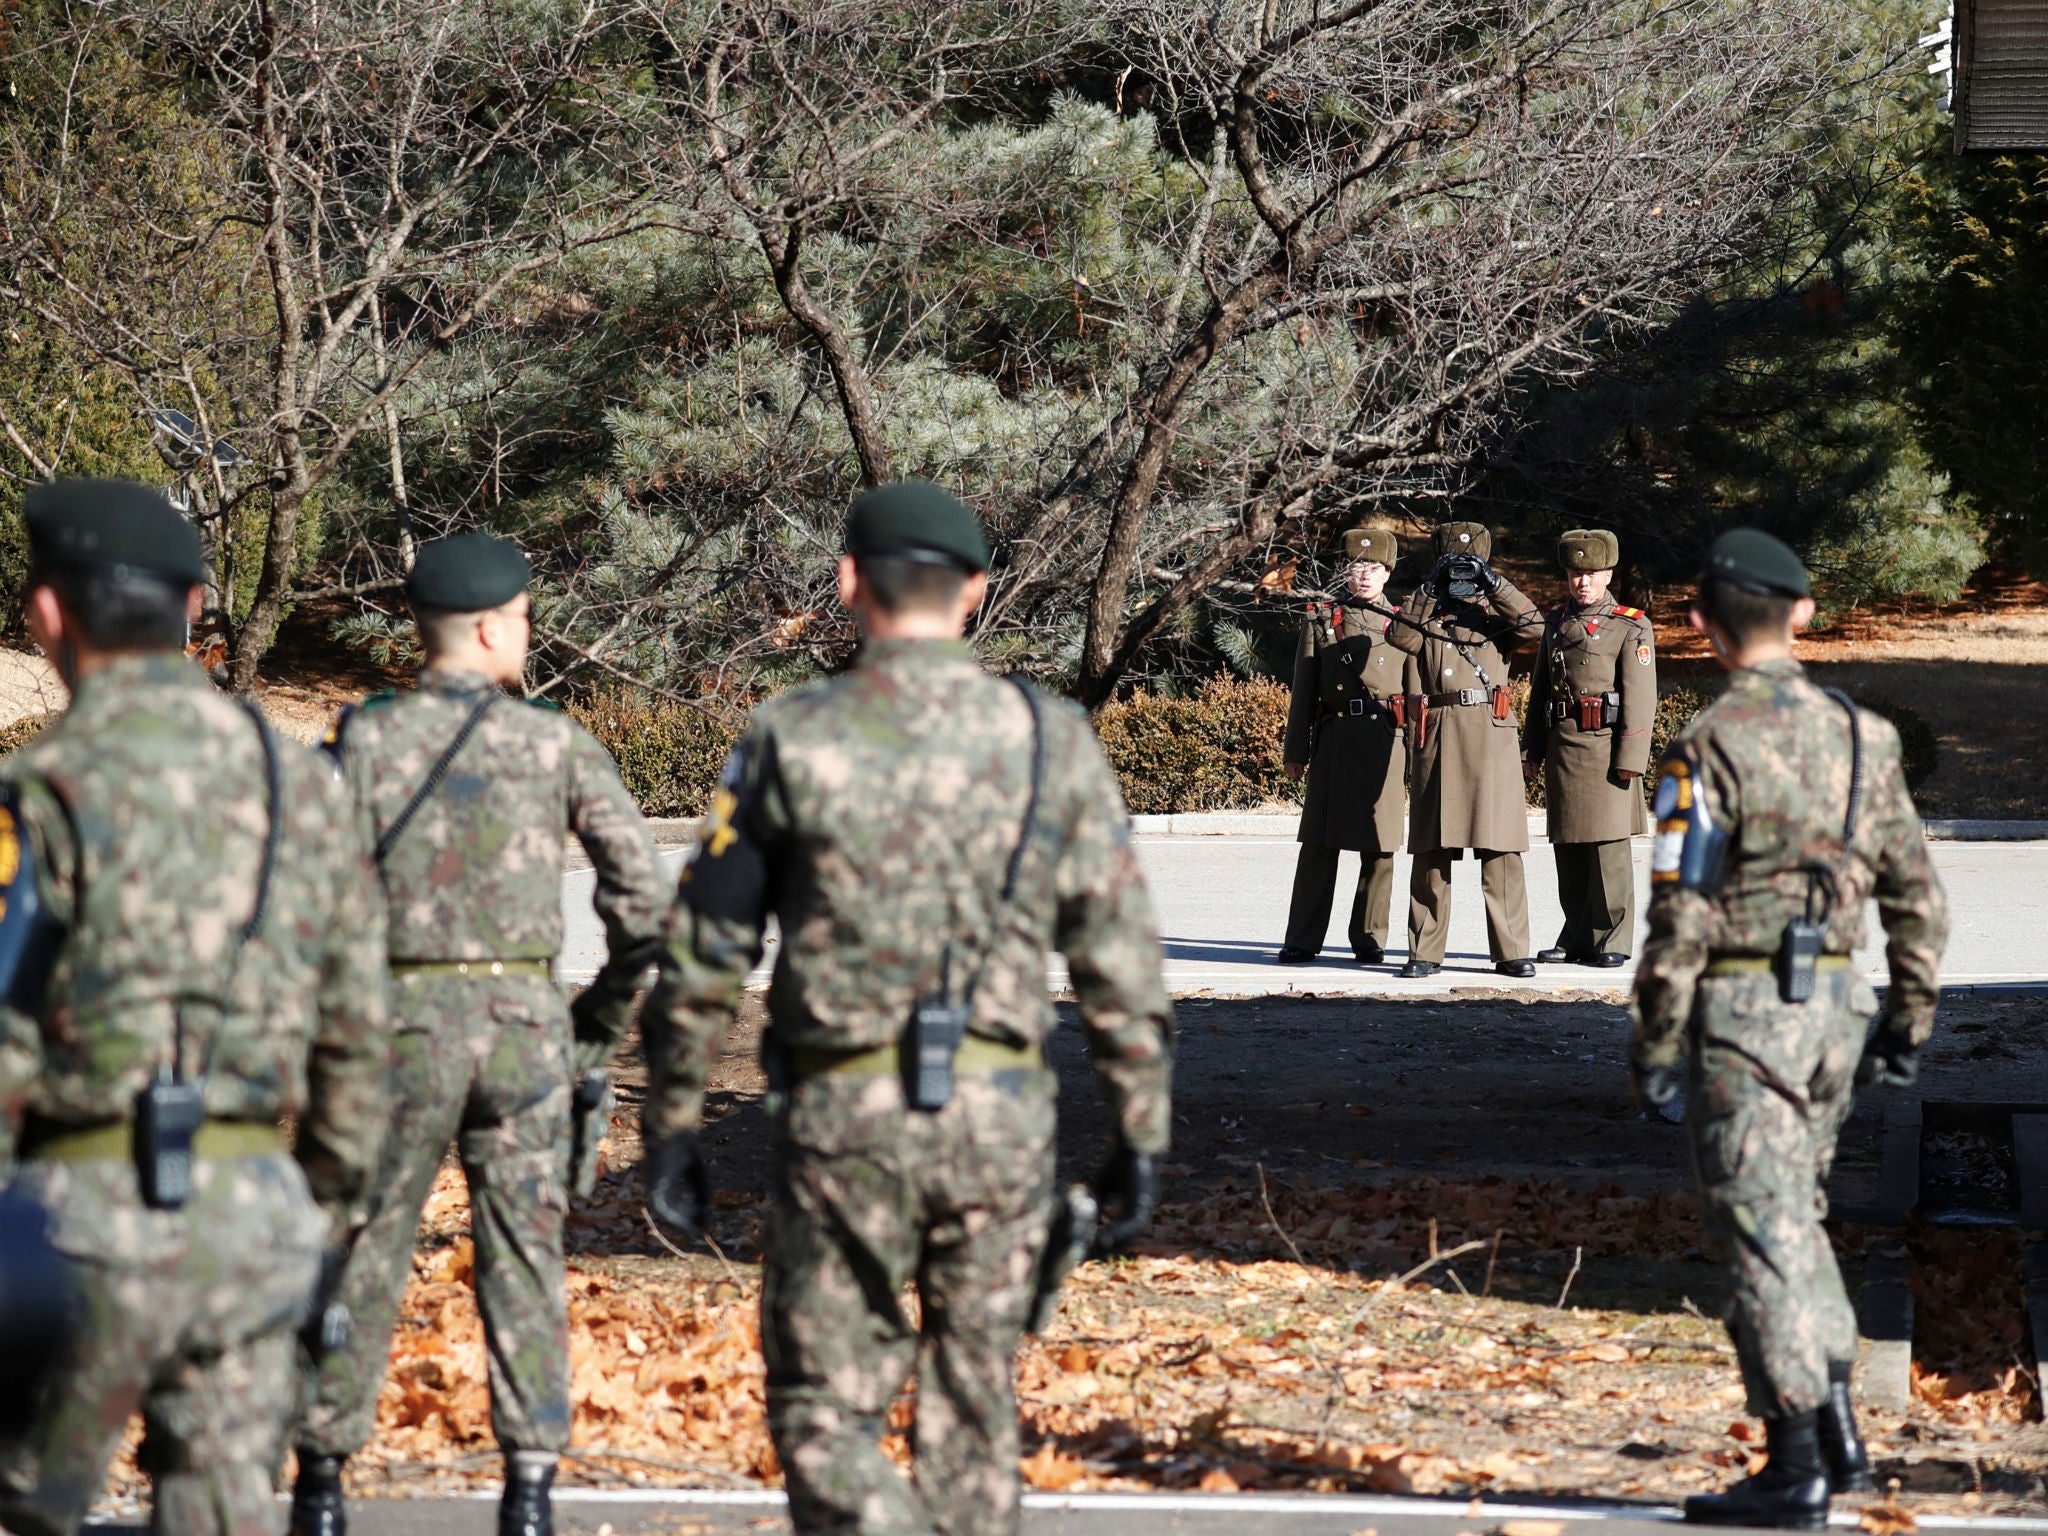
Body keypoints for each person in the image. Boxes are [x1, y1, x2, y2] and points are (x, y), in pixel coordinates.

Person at [636, 481, 1174, 1536]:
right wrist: (1139, 1129)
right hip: (1000, 1117)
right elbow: (1117, 953)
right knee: (974, 1408)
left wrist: (671, 1123)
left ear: (847, 586)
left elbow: (705, 951)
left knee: (822, 1408)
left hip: (845, 1116)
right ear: (975, 592)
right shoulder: (1049, 736)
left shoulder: (791, 731)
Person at [0, 479, 391, 1536]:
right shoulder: (298, 784)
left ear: (48, 617)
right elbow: (359, 1032)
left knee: (37, 1504)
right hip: (250, 1217)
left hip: (72, 1218)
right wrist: (316, 1206)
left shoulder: (38, 791)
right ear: (195, 608)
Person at [293, 534, 671, 1536]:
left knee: (364, 1251)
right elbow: (642, 898)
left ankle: (323, 1478)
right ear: (496, 626)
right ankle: (530, 1487)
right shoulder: (554, 743)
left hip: (397, 1029)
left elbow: (305, 893)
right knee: (524, 1257)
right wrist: (590, 1029)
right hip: (521, 1031)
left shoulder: (364, 740)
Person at [1630, 529, 1947, 1530]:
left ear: (1701, 626)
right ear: (1802, 614)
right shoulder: (1867, 736)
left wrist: (1653, 1038)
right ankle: (1840, 1432)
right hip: (1831, 1018)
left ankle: (1793, 1465)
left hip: (1742, 1017)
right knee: (1794, 1222)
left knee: (1759, 1238)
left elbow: (1679, 908)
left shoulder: (1710, 742)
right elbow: (1916, 898)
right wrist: (1903, 1017)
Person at [1387, 521, 1544, 978]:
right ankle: (1425, 952)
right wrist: (1429, 586)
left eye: (1467, 567)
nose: (1461, 579)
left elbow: (1535, 629)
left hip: (1491, 737)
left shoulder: (1497, 617)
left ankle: (1513, 950)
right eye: (1453, 568)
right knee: (1433, 852)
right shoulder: (1425, 617)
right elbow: (1399, 638)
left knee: (1501, 851)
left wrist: (1494, 583)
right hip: (1440, 736)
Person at [1523, 528, 1655, 967]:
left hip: (1605, 748)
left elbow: (1641, 697)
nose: (1583, 582)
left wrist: (1631, 759)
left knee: (1607, 850)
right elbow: (1541, 689)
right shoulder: (1557, 620)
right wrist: (1532, 751)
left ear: (1608, 574)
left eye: (1592, 573)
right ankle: (1577, 934)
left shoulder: (1630, 624)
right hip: (1564, 746)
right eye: (1576, 573)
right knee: (1570, 848)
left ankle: (1613, 940)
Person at [1276, 527, 1406, 966]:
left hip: (1388, 739)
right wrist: (1296, 750)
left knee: (1380, 845)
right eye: (1357, 566)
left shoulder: (1404, 623)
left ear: (1388, 573)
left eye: (1374, 567)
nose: (1364, 575)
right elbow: (1304, 688)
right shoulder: (1323, 618)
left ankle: (1369, 936)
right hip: (1335, 737)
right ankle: (1302, 937)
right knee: (1318, 843)